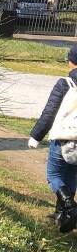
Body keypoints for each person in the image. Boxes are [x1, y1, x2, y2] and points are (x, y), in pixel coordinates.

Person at [27, 46, 77, 232]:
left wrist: (36, 136)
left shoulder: (65, 83)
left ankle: (70, 207)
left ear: (71, 61)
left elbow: (50, 113)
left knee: (54, 176)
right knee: (71, 176)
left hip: (63, 137)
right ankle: (63, 218)